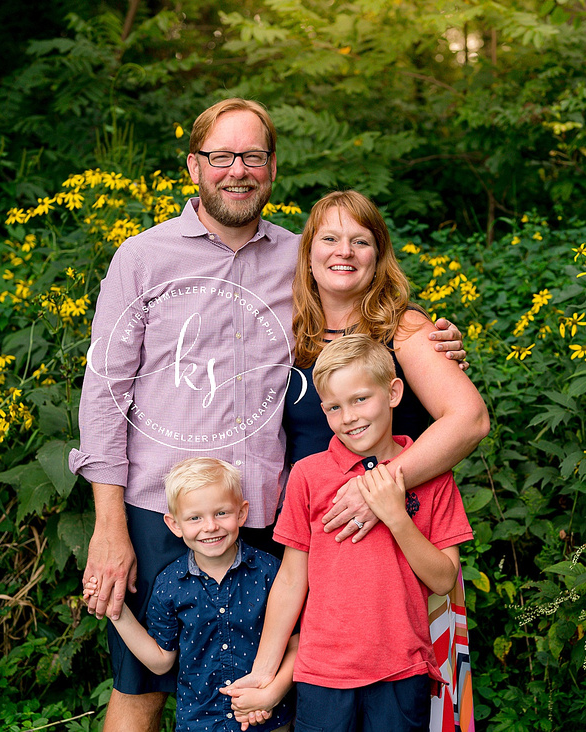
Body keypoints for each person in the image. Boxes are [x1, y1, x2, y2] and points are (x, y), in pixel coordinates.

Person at [68, 99, 466, 732]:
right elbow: (104, 393)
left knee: (266, 690)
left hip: (265, 508)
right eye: (222, 156)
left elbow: (363, 311)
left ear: (273, 168)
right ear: (194, 166)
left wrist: (426, 338)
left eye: (253, 156)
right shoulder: (141, 259)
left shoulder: (299, 260)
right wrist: (109, 525)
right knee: (141, 683)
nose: (238, 170)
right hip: (157, 507)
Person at [274, 190, 488, 731]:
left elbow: (469, 420)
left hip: (398, 555)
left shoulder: (406, 329)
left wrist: (380, 490)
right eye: (330, 238)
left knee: (407, 709)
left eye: (360, 240)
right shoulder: (285, 328)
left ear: (379, 252)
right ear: (307, 252)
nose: (344, 251)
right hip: (310, 548)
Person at [238, 334, 473, 732]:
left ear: (394, 392)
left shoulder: (432, 475)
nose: (348, 417)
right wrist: (265, 671)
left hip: (402, 669)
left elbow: (443, 579)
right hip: (321, 674)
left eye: (361, 399)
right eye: (333, 407)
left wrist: (396, 516)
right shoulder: (309, 476)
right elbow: (293, 579)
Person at [83, 458, 296, 732]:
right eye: (195, 518)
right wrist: (116, 610)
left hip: (267, 719)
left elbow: (296, 643)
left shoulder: (270, 573)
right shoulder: (170, 586)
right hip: (201, 722)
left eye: (221, 513)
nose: (210, 526)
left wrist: (272, 694)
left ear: (242, 513)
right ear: (174, 524)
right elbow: (161, 662)